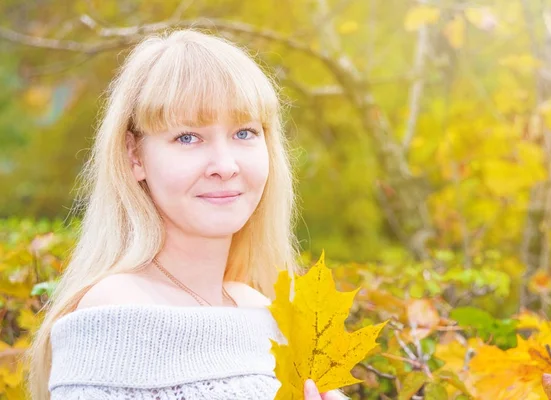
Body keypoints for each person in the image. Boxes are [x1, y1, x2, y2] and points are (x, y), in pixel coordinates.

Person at [24, 29, 347, 399]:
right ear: (135, 156)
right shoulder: (119, 312)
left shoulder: (265, 312)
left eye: (244, 133)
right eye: (188, 137)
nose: (225, 166)